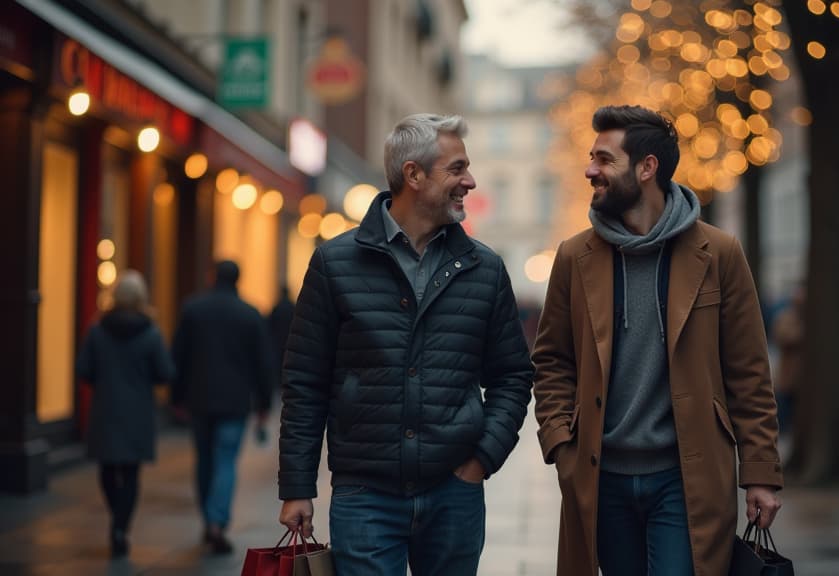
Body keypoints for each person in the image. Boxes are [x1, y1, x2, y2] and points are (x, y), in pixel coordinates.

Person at [277, 113, 533, 575]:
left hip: (455, 492)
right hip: (365, 497)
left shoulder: (485, 269)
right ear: (413, 174)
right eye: (456, 169)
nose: (469, 181)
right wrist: (297, 486)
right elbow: (305, 383)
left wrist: (481, 460)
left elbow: (513, 376)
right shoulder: (335, 263)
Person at [532, 105, 782, 576]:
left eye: (604, 160)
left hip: (686, 478)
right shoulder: (573, 256)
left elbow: (749, 370)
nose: (590, 170)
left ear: (647, 168)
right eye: (591, 158)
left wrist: (761, 473)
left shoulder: (719, 253)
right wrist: (560, 442)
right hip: (600, 476)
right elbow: (551, 361)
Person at [172, 260, 272, 554]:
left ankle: (208, 518)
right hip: (235, 401)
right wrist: (264, 404)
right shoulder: (250, 314)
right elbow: (263, 364)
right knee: (225, 461)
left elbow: (179, 356)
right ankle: (218, 521)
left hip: (199, 399)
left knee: (204, 460)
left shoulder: (193, 309)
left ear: (212, 276)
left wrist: (176, 398)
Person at [75, 270, 175, 558]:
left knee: (107, 470)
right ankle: (120, 527)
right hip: (138, 412)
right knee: (130, 473)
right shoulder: (151, 332)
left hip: (105, 408)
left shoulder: (97, 329)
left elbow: (84, 369)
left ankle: (116, 517)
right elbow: (165, 372)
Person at [772, 283, 805, 435]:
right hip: (787, 378)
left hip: (803, 381)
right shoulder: (785, 317)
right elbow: (782, 337)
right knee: (784, 416)